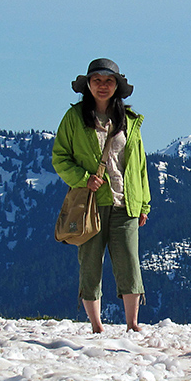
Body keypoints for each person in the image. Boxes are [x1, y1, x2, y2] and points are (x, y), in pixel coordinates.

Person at [52, 59, 151, 333]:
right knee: (90, 262)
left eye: (109, 81)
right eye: (97, 81)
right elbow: (60, 158)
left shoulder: (130, 122)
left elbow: (139, 166)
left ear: (117, 86)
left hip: (126, 201)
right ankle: (96, 326)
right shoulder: (74, 118)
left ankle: (133, 324)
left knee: (129, 262)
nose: (103, 86)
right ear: (88, 85)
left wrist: (144, 204)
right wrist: (84, 179)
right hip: (91, 203)